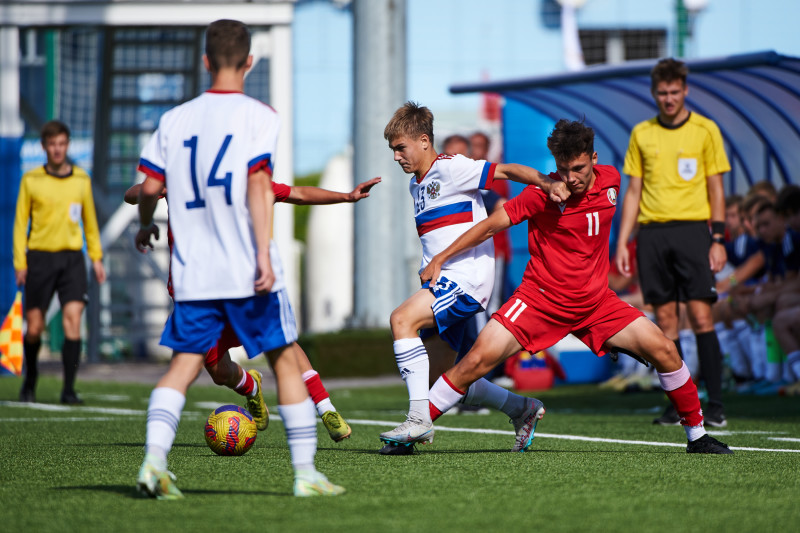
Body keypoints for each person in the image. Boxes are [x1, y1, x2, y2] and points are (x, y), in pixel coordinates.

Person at [423, 119, 733, 455]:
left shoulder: (612, 180)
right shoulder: (541, 194)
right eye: (563, 169)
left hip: (596, 303)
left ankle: (698, 436)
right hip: (539, 302)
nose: (571, 178)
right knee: (475, 362)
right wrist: (440, 257)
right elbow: (488, 227)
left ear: (594, 159)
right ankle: (417, 425)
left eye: (579, 168)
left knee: (666, 350)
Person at [133, 19, 344, 499]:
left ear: (205, 61)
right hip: (245, 267)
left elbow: (148, 188)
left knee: (183, 366)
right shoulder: (259, 115)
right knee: (286, 361)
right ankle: (305, 475)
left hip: (193, 272)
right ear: (249, 61)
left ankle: (153, 463)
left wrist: (147, 223)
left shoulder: (174, 120)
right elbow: (257, 185)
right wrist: (263, 253)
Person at [124, 177, 380, 441]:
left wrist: (347, 196)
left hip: (238, 286)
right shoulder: (182, 174)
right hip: (194, 293)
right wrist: (154, 194)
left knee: (281, 344)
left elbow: (298, 193)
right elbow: (132, 194)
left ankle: (326, 409)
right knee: (218, 372)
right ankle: (251, 387)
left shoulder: (241, 177)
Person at [378, 102, 570, 453]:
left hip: (465, 280)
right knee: (448, 377)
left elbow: (507, 170)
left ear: (423, 141)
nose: (396, 157)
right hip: (440, 283)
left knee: (401, 319)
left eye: (399, 148)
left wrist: (547, 183)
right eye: (392, 150)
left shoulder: (452, 168)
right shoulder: (415, 187)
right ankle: (521, 409)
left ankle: (418, 421)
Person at [615, 58, 730, 428]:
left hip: (694, 232)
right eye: (662, 93)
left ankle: (715, 404)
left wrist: (717, 237)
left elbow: (716, 187)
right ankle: (680, 404)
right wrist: (622, 241)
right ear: (654, 93)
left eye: (674, 92)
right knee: (665, 323)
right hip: (651, 235)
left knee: (700, 316)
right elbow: (633, 191)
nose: (668, 99)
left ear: (685, 90)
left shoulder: (705, 130)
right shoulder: (642, 133)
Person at [13, 120, 107, 405]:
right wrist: (20, 261)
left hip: (71, 260)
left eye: (62, 144)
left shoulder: (81, 179)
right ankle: (30, 381)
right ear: (44, 147)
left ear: (67, 146)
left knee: (73, 321)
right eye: (52, 144)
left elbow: (90, 222)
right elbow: (20, 224)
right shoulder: (31, 180)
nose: (57, 149)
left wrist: (96, 257)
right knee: (35, 326)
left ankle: (69, 389)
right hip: (40, 257)